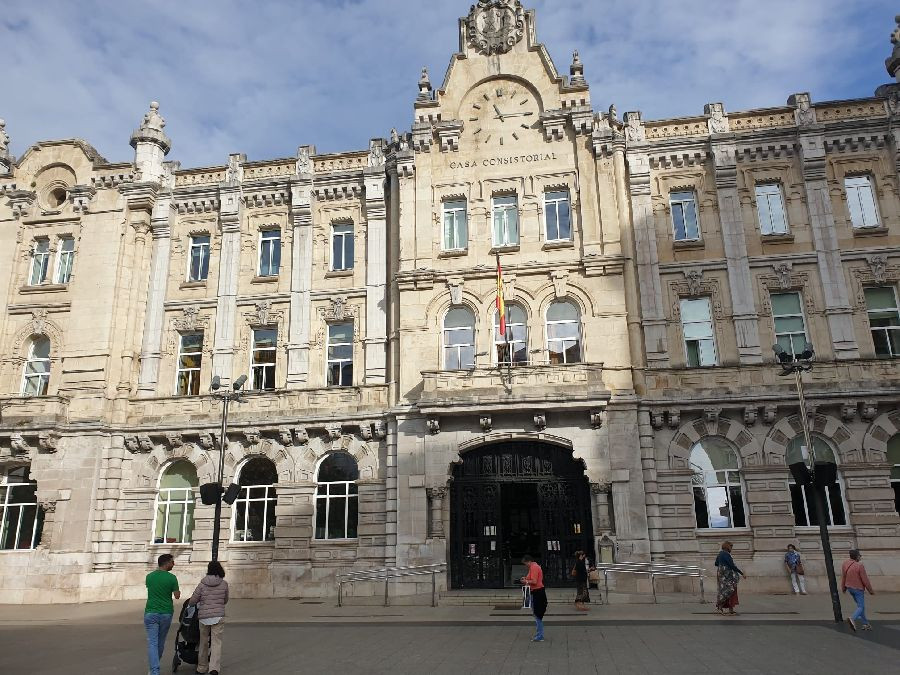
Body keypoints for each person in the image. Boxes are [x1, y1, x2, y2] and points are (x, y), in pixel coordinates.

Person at [189, 561, 230, 675]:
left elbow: (193, 601)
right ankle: (214, 669)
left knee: (203, 642)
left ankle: (202, 667)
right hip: (218, 616)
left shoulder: (202, 583)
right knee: (217, 642)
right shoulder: (224, 584)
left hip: (204, 617)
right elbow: (225, 600)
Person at [144, 553, 181, 675]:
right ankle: (154, 669)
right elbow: (177, 596)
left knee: (152, 643)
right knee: (160, 642)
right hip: (166, 613)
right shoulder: (172, 578)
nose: (173, 564)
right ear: (167, 563)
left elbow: (151, 589)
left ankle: (154, 670)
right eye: (172, 562)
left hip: (150, 612)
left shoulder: (149, 576)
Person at [841, 549, 874, 632]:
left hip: (849, 588)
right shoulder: (859, 566)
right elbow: (865, 580)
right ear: (856, 556)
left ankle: (866, 624)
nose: (860, 557)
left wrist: (843, 587)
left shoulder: (845, 564)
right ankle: (852, 618)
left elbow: (844, 577)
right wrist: (870, 590)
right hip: (858, 589)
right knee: (861, 607)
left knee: (860, 606)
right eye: (859, 555)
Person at [520, 555, 547, 642]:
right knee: (536, 614)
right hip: (536, 592)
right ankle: (539, 634)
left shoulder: (534, 567)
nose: (525, 565)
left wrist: (526, 581)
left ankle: (540, 635)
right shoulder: (534, 567)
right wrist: (526, 579)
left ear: (528, 561)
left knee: (537, 615)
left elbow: (534, 581)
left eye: (525, 563)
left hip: (537, 593)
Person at [714, 541, 744, 615]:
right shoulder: (726, 554)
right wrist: (741, 573)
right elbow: (732, 565)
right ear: (727, 547)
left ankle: (723, 608)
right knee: (730, 590)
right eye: (731, 546)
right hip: (727, 575)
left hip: (721, 575)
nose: (731, 548)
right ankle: (727, 609)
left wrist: (721, 566)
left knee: (723, 591)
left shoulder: (720, 554)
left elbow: (716, 563)